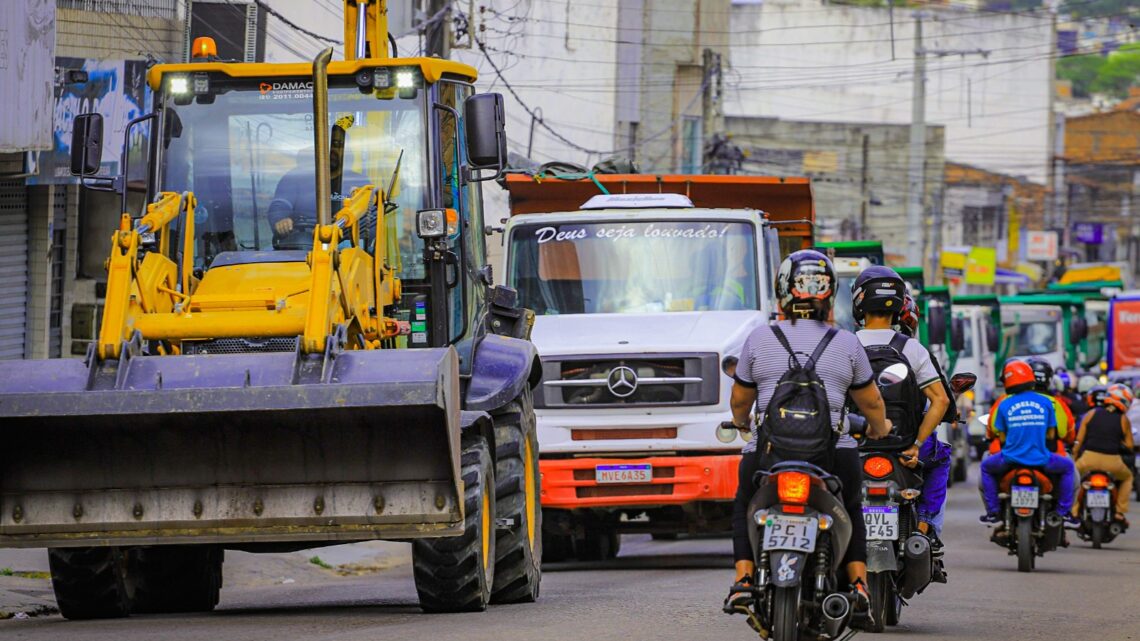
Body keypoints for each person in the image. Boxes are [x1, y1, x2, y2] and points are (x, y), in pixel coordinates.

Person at [725, 250, 890, 623]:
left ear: (784, 291)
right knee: (850, 506)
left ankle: (743, 578)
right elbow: (872, 404)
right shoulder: (848, 343)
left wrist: (743, 425)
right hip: (834, 453)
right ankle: (859, 584)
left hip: (768, 453)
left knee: (744, 503)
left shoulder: (758, 339)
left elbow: (740, 400)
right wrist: (880, 430)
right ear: (830, 295)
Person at [852, 270, 951, 539]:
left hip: (854, 447)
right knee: (940, 457)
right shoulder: (912, 348)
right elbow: (940, 401)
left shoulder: (843, 345)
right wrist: (915, 445)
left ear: (859, 302)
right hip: (902, 448)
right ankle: (925, 526)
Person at [980, 360, 1078, 526]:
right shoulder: (1047, 403)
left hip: (1010, 460)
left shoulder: (1004, 404)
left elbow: (1001, 437)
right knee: (1068, 467)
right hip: (1042, 459)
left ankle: (993, 513)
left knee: (985, 467)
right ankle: (1064, 513)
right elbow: (1052, 434)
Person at [267, 146, 370, 242]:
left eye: (335, 153)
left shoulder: (360, 182)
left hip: (348, 242)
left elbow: (371, 215)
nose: (330, 158)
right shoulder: (294, 178)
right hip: (304, 240)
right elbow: (280, 204)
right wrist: (280, 219)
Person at [1070, 384, 1134, 526]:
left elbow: (1078, 441)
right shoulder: (1123, 419)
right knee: (1128, 477)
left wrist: (1074, 458)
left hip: (1088, 459)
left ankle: (1073, 510)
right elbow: (1130, 445)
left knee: (1073, 478)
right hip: (1113, 462)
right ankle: (1119, 511)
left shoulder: (1092, 413)